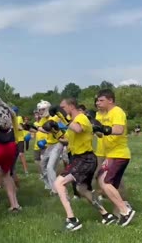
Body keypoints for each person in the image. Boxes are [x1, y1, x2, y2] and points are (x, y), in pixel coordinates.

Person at [54, 98, 118, 231]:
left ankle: (72, 220)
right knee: (83, 189)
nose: (61, 110)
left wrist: (64, 119)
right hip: (81, 158)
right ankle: (106, 215)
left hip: (84, 159)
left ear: (71, 106)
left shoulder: (81, 117)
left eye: (63, 107)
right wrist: (55, 131)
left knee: (58, 183)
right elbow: (66, 139)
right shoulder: (73, 121)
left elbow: (77, 129)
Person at [94, 89, 135, 226]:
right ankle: (120, 212)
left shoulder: (117, 111)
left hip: (119, 154)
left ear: (110, 100)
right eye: (97, 100)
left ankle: (125, 210)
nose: (98, 103)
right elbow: (102, 135)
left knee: (105, 182)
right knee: (105, 182)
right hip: (110, 154)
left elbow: (119, 130)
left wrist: (104, 128)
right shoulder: (103, 114)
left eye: (101, 100)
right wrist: (97, 129)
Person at [13, 107, 29, 175]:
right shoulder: (10, 119)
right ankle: (12, 170)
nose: (14, 113)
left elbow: (21, 127)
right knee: (13, 156)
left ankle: (26, 171)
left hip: (20, 139)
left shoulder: (19, 118)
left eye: (15, 112)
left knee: (21, 154)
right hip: (13, 139)